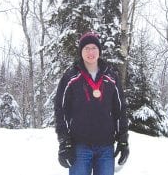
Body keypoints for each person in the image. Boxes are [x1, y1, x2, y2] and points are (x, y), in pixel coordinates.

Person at [54, 31, 129, 175]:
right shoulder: (70, 77)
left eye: (94, 48)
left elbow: (120, 110)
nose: (90, 52)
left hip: (106, 147)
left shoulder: (111, 76)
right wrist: (64, 142)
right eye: (86, 48)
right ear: (81, 52)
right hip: (79, 146)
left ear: (99, 51)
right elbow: (60, 110)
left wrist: (123, 139)